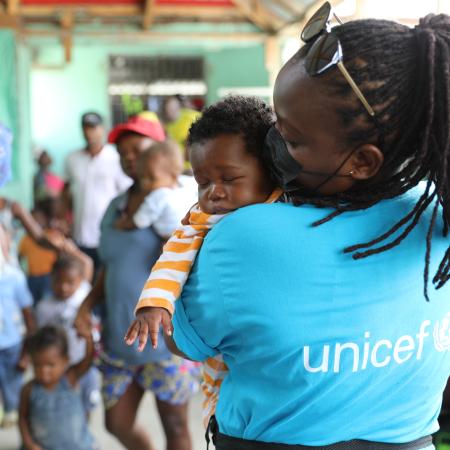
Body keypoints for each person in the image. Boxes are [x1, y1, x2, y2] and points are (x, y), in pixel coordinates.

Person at [136, 5, 449, 449]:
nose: (270, 146)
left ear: (361, 161)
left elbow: (185, 343)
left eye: (291, 137)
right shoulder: (434, 213)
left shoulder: (247, 234)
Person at [126, 96, 281, 427]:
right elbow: (172, 257)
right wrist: (155, 304)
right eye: (203, 182)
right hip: (220, 347)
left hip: (272, 346)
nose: (214, 192)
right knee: (224, 394)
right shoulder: (202, 220)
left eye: (229, 178)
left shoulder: (289, 207)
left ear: (269, 169)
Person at [74, 115, 199, 450]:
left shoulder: (175, 205)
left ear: (158, 152)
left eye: (137, 149)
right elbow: (109, 267)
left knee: (175, 424)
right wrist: (86, 306)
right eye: (122, 151)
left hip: (165, 341)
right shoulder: (115, 208)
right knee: (116, 423)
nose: (130, 157)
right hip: (120, 337)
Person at [35, 245, 100, 416]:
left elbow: (87, 262)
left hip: (85, 359)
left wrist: (68, 247)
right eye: (58, 281)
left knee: (87, 401)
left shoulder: (85, 294)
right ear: (51, 279)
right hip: (58, 366)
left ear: (80, 281)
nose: (64, 287)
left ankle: (83, 435)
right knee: (63, 404)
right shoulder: (43, 307)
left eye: (70, 283)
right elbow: (41, 338)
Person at [64, 111, 132, 271]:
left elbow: (127, 193)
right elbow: (66, 192)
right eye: (86, 128)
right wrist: (64, 219)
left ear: (102, 129)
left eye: (93, 128)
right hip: (80, 235)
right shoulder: (72, 159)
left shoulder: (115, 156)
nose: (89, 133)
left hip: (108, 234)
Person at [18, 325, 97, 450]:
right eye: (37, 365)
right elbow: (22, 417)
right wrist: (29, 444)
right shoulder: (28, 389)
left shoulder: (70, 378)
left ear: (66, 360)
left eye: (50, 365)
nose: (44, 371)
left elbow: (88, 360)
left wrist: (88, 339)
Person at [114, 139, 197, 237]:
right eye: (142, 177)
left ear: (173, 175)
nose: (145, 184)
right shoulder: (186, 182)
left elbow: (138, 222)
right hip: (193, 231)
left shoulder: (157, 196)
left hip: (174, 238)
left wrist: (122, 224)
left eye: (151, 178)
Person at [0, 224, 36, 428]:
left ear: (6, 247)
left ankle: (13, 411)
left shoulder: (14, 277)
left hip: (13, 344)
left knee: (12, 385)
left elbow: (28, 316)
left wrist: (27, 353)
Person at [18, 200, 60, 304]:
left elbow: (60, 252)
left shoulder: (52, 235)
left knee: (46, 300)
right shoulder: (25, 239)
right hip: (32, 277)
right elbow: (20, 256)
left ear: (45, 219)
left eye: (39, 218)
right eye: (33, 219)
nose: (36, 221)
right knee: (33, 302)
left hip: (48, 276)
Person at [161, 95, 201, 171]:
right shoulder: (167, 126)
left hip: (194, 167)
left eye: (171, 109)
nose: (169, 112)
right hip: (178, 167)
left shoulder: (192, 117)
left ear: (178, 108)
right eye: (166, 110)